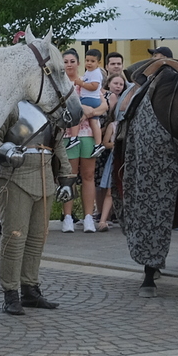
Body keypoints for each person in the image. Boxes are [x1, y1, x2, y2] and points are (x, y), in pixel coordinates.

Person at [0, 102, 66, 315]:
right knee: (14, 237)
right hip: (15, 177)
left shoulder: (49, 107)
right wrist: (5, 150)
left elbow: (58, 141)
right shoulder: (9, 106)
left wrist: (67, 175)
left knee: (36, 237)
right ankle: (10, 293)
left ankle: (30, 288)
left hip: (44, 176)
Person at [59, 50, 104, 232]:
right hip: (67, 134)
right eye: (66, 61)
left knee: (88, 175)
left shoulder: (87, 81)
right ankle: (67, 217)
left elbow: (104, 104)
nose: (69, 64)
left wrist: (90, 111)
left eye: (72, 61)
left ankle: (88, 217)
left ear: (78, 63)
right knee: (68, 175)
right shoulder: (59, 84)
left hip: (87, 133)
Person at [95, 72, 128, 230]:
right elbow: (105, 142)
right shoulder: (113, 126)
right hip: (114, 159)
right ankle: (103, 219)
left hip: (127, 159)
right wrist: (115, 145)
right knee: (109, 190)